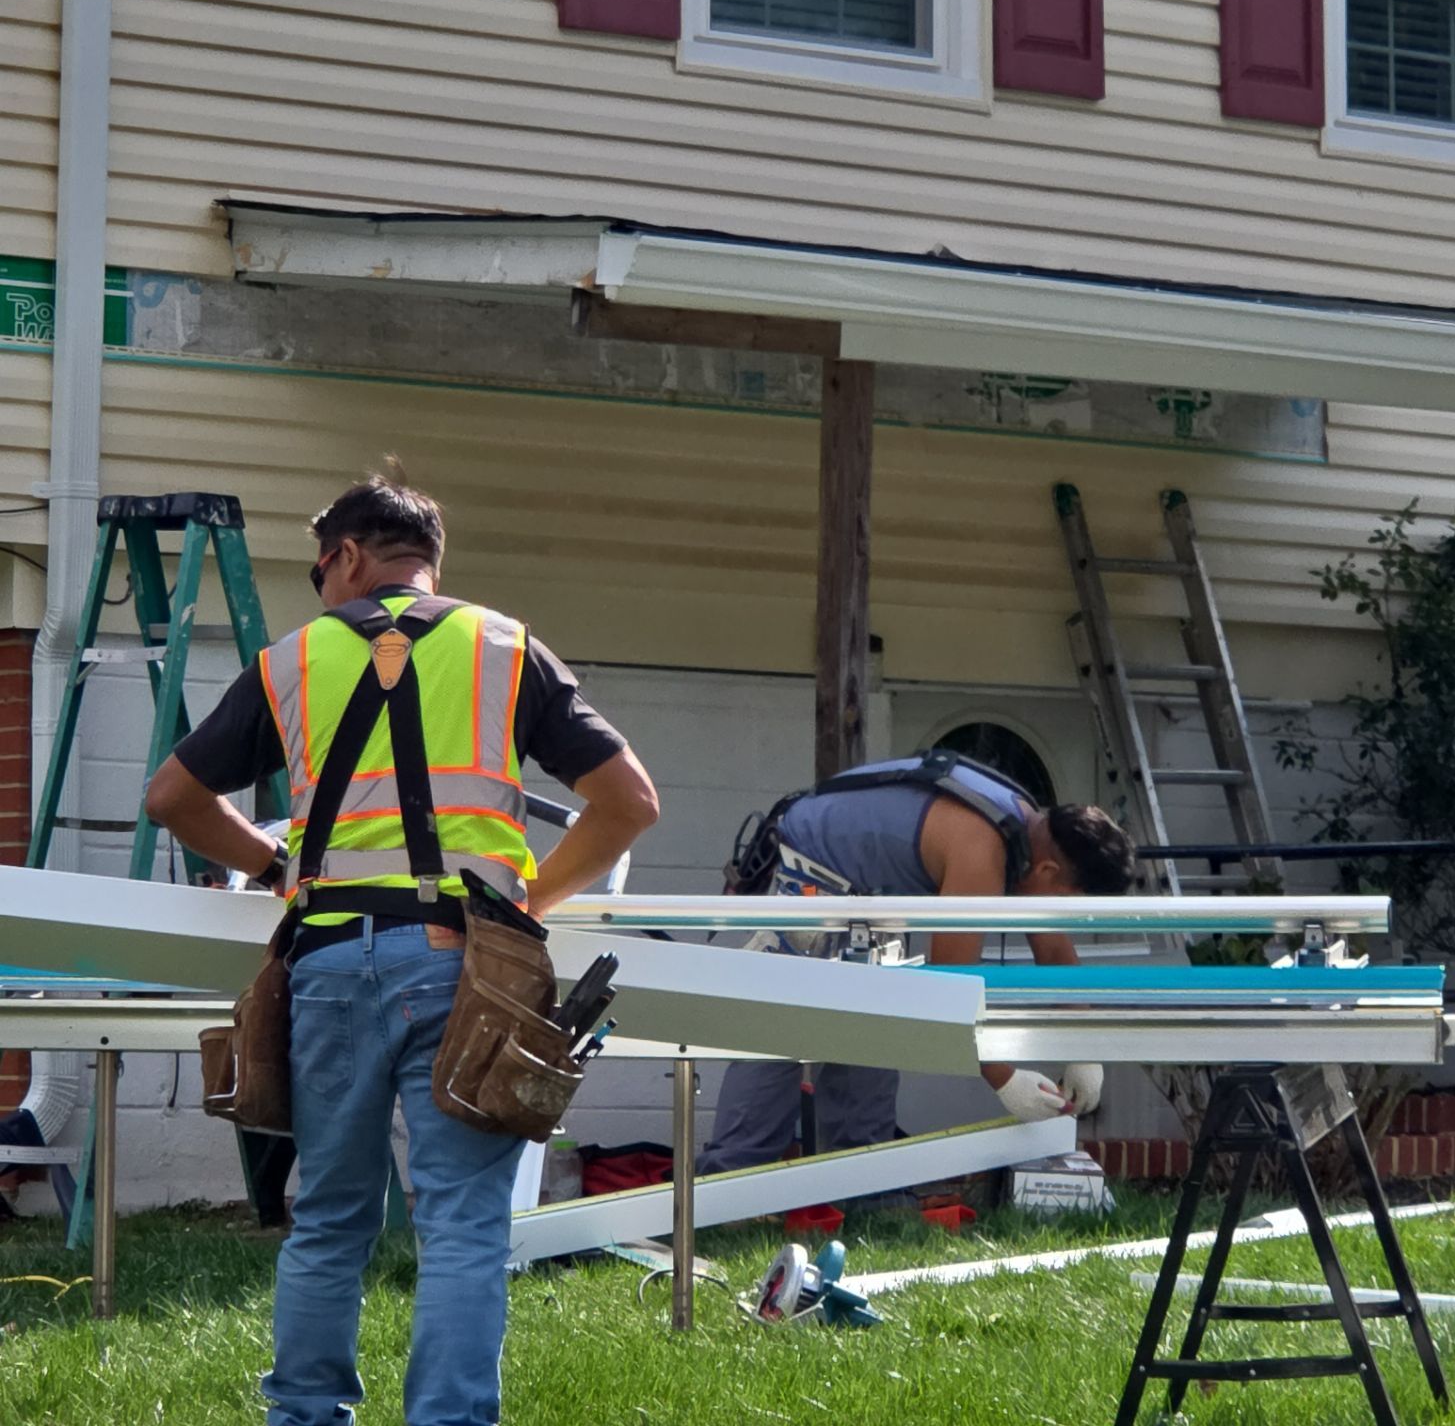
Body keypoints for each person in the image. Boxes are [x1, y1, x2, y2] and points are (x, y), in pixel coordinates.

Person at [145, 475, 659, 1426]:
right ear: (428, 563)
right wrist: (528, 900)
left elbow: (172, 799)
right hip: (464, 969)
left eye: (318, 572)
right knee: (463, 1224)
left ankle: (303, 1415)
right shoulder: (504, 647)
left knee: (332, 1217)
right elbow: (630, 802)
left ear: (344, 557)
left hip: (330, 961)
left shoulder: (291, 661)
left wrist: (271, 868)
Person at [696, 752, 1134, 1175]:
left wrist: (1084, 1048)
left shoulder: (1028, 832)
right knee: (781, 1029)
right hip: (814, 876)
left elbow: (1053, 950)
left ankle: (863, 1186)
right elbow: (948, 993)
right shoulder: (982, 852)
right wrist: (1006, 1081)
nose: (1062, 912)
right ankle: (728, 1184)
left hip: (866, 893)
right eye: (1066, 900)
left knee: (877, 1026)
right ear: (1049, 871)